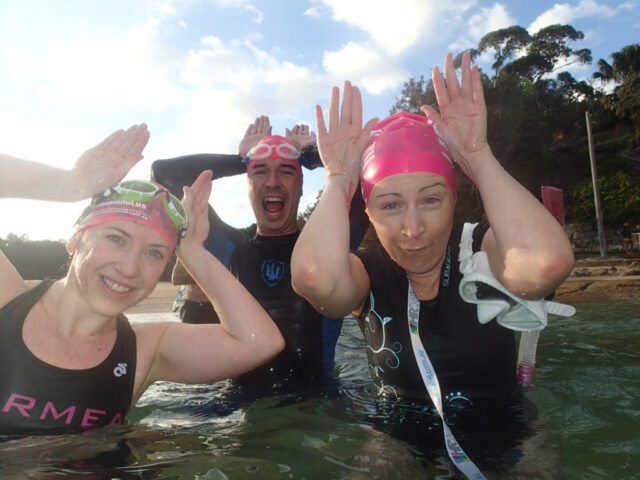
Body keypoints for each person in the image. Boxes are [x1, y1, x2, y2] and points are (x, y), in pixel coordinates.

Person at [291, 52, 574, 475]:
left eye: (430, 200)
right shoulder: (368, 273)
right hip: (395, 437)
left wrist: (477, 156)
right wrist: (339, 180)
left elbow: (546, 265)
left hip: (508, 433)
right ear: (368, 214)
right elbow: (314, 279)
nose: (413, 228)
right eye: (391, 205)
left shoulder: (481, 250)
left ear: (453, 200)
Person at [0, 125, 284, 434]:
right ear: (76, 238)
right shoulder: (7, 300)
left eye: (154, 253)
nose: (129, 268)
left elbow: (260, 343)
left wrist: (193, 251)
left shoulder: (145, 349)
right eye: (116, 238)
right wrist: (71, 184)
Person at [151, 119, 369, 395]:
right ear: (248, 185)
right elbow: (164, 174)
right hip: (239, 400)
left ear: (301, 185)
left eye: (286, 171)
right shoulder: (227, 247)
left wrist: (310, 153)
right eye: (259, 172)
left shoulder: (330, 244)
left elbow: (370, 175)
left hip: (316, 401)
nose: (272, 183)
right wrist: (240, 159)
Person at [171, 258, 217, 324]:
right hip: (191, 305)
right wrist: (198, 276)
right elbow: (175, 279)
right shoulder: (185, 254)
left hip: (212, 305)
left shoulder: (219, 254)